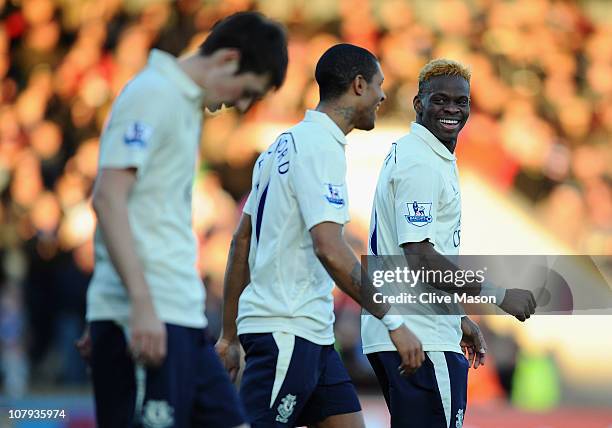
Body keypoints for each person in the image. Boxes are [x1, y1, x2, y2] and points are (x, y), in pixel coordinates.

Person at [78, 12, 288, 428]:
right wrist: (131, 305)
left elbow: (145, 210)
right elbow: (108, 198)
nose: (243, 105)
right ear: (228, 59)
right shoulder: (153, 93)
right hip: (149, 315)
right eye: (247, 91)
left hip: (180, 316)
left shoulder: (183, 104)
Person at [215, 44, 424, 428]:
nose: (383, 95)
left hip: (313, 333)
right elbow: (329, 248)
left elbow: (241, 241)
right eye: (379, 85)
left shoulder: (280, 146)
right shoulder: (320, 149)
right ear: (359, 85)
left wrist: (229, 336)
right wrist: (393, 321)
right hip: (287, 330)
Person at [361, 58, 537, 427]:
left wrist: (457, 317)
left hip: (412, 328)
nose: (452, 110)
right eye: (440, 100)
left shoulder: (425, 155)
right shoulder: (421, 162)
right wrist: (498, 295)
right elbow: (420, 258)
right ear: (418, 104)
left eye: (461, 102)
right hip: (420, 336)